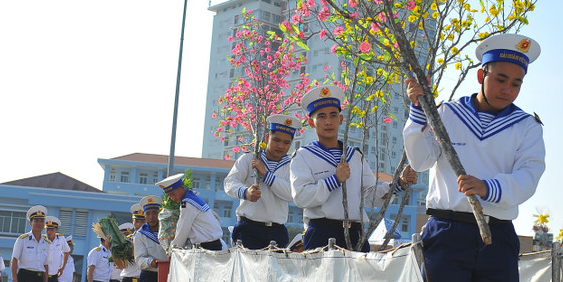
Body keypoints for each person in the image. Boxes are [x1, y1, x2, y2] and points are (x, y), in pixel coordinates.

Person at [403, 33, 546, 282]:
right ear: (482, 74)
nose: (508, 89)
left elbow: (529, 176)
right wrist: (417, 108)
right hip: (447, 232)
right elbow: (420, 160)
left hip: (496, 236)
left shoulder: (526, 127)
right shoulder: (445, 113)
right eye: (500, 79)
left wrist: (489, 187)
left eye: (516, 83)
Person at [290, 85, 416, 251]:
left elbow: (369, 195)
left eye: (333, 115)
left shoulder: (354, 156)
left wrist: (399, 184)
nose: (328, 121)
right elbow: (301, 197)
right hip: (322, 232)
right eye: (321, 116)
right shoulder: (303, 156)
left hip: (356, 232)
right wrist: (334, 180)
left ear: (341, 120)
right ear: (311, 123)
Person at [225, 114, 300, 249]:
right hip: (248, 229)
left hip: (277, 231)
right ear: (267, 138)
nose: (281, 146)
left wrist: (266, 174)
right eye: (276, 140)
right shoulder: (249, 159)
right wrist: (245, 192)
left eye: (286, 142)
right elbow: (229, 183)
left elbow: (292, 194)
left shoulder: (292, 166)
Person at [156, 174, 225, 250]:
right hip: (213, 244)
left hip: (207, 247)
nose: (173, 198)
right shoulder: (193, 198)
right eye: (169, 196)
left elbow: (183, 229)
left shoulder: (187, 204)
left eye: (173, 194)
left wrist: (173, 249)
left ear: (181, 188)